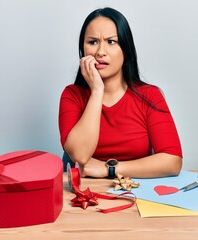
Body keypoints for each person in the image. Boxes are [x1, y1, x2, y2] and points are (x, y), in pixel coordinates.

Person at [58, 7, 182, 179]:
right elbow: (79, 155)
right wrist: (97, 90)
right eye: (92, 42)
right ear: (83, 51)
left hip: (134, 190)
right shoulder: (72, 95)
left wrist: (109, 168)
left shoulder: (150, 95)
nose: (100, 52)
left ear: (126, 49)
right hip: (83, 192)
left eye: (111, 42)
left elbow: (172, 161)